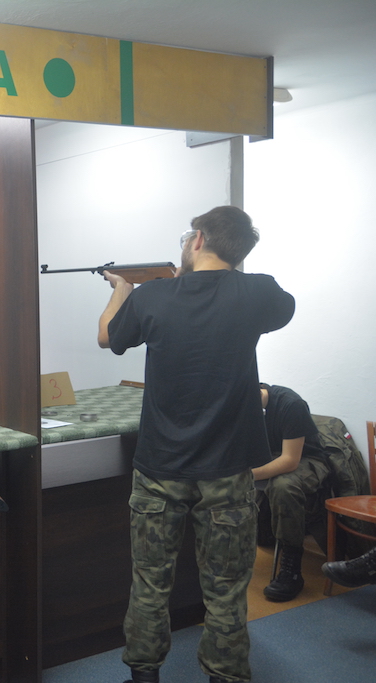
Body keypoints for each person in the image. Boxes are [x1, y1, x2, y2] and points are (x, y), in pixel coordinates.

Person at [97, 206, 295, 683]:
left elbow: (107, 337)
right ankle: (225, 675)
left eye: (188, 236)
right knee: (226, 588)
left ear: (199, 239)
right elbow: (280, 308)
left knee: (150, 582)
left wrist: (123, 289)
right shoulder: (259, 292)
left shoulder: (152, 297)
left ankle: (144, 675)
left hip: (159, 468)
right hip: (228, 470)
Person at [252, 383, 328, 602]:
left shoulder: (291, 404)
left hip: (306, 459)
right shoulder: (241, 408)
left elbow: (289, 461)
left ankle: (292, 569)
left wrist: (246, 475)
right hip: (270, 457)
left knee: (283, 486)